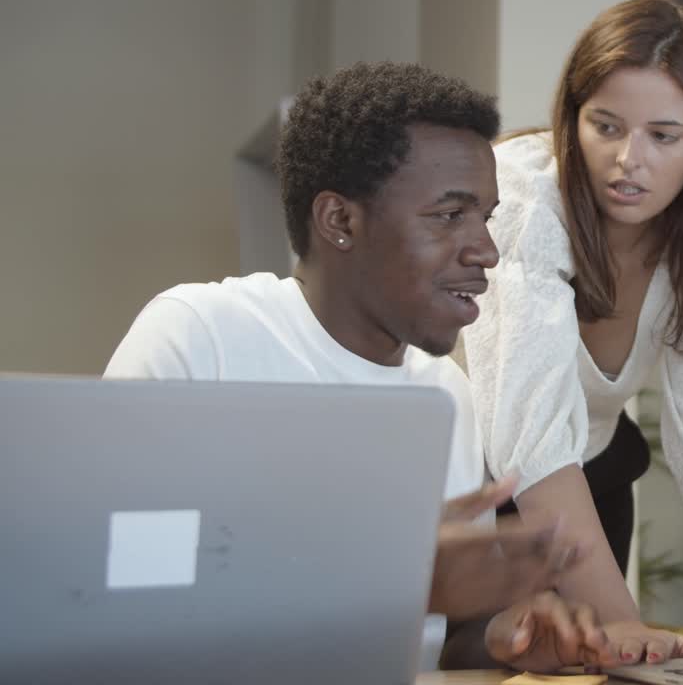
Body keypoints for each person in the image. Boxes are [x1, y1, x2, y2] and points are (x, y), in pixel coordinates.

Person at [104, 61, 612, 672]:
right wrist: (395, 580)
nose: (486, 250)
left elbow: (437, 637)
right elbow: (116, 592)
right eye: (449, 215)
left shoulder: (446, 394)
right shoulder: (199, 335)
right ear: (340, 221)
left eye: (486, 216)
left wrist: (509, 637)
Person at [463, 0, 683, 661]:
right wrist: (621, 621)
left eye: (663, 136)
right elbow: (527, 433)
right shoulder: (522, 198)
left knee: (605, 669)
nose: (627, 160)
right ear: (572, 117)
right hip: (471, 490)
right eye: (605, 126)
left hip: (589, 482)